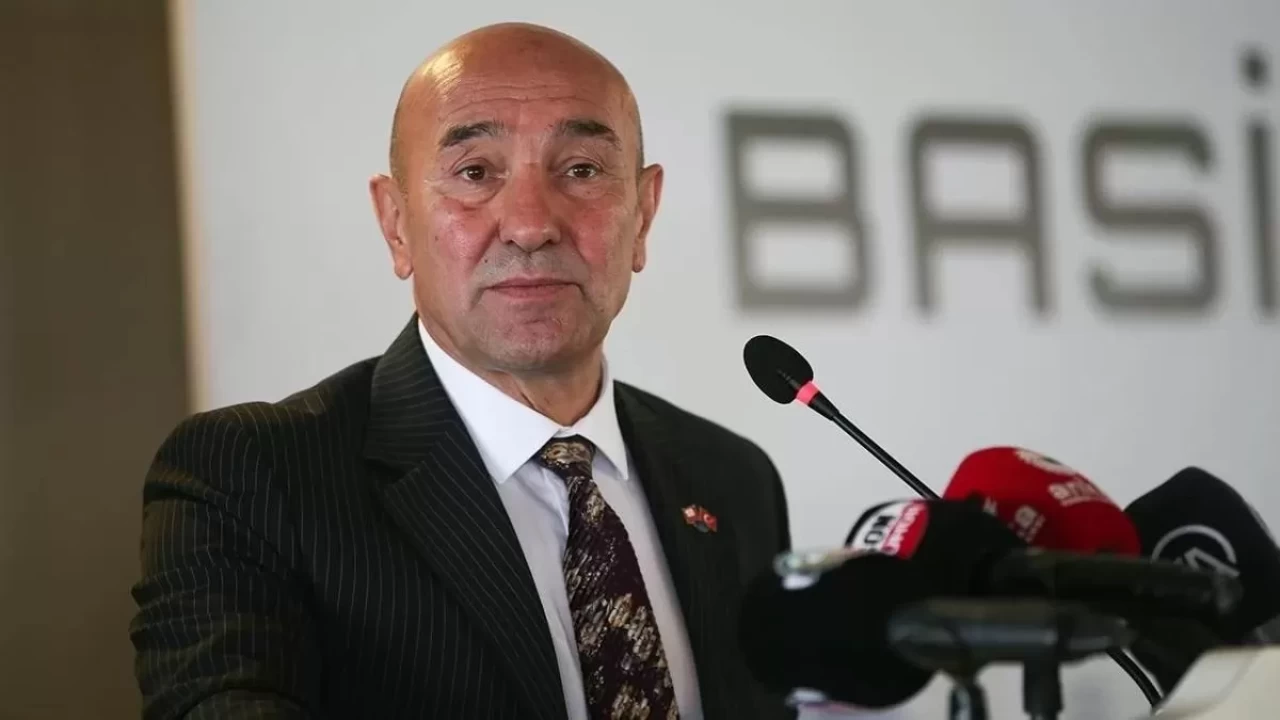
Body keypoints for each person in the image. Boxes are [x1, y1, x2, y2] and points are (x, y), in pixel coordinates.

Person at [129, 22, 792, 720]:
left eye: (581, 170)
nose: (530, 225)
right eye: (475, 173)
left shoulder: (732, 478)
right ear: (395, 223)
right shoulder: (252, 478)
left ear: (644, 214)